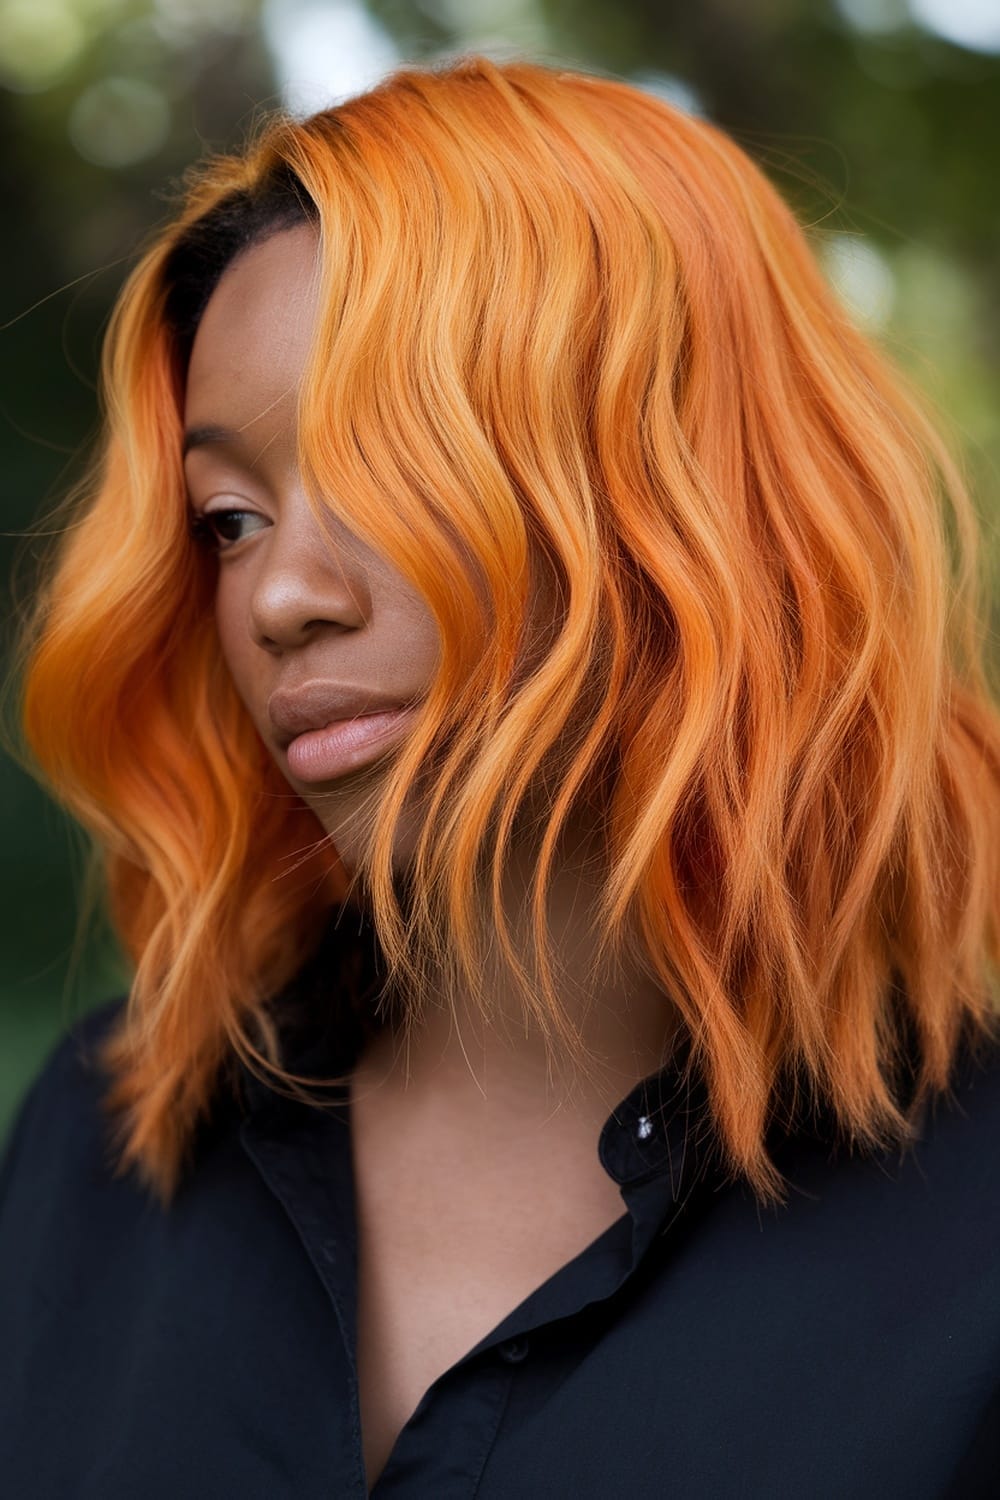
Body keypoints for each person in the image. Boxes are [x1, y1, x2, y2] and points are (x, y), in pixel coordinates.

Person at [1, 53, 998, 1500]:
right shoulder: (101, 1146)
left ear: (678, 490)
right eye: (229, 518)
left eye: (384, 465)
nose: (282, 596)